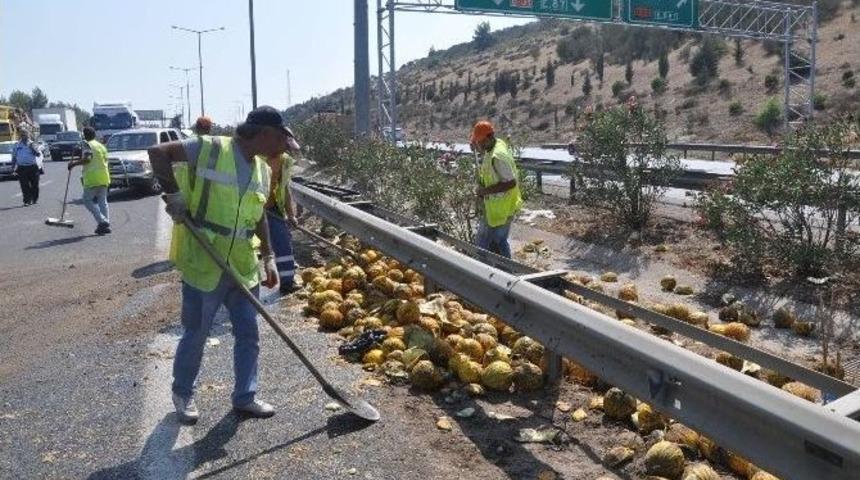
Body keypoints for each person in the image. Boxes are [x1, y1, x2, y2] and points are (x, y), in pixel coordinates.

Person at [148, 106, 289, 424]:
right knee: (196, 333)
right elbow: (157, 152)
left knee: (248, 334)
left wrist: (268, 257)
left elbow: (260, 215)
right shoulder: (210, 148)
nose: (283, 147)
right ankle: (183, 392)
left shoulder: (263, 170)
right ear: (265, 133)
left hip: (242, 263)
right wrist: (174, 196)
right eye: (280, 138)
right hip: (205, 261)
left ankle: (245, 397)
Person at [470, 120, 523, 259]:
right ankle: (504, 272)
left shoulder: (497, 156)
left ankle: (481, 271)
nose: (479, 145)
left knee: (486, 241)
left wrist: (484, 192)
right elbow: (491, 169)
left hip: (500, 208)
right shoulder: (494, 145)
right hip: (497, 206)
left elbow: (511, 183)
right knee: (498, 241)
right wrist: (476, 147)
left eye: (480, 142)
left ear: (489, 137)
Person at [263, 127, 302, 295]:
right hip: (251, 210)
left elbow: (285, 189)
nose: (287, 150)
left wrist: (291, 214)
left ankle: (287, 282)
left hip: (273, 209)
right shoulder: (256, 158)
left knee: (283, 242)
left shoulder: (284, 160)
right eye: (285, 146)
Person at [67, 127, 111, 235]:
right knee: (102, 201)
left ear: (84, 135)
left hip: (92, 178)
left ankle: (102, 220)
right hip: (104, 177)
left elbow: (87, 159)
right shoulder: (101, 146)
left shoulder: (87, 144)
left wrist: (73, 164)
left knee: (87, 201)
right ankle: (104, 226)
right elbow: (105, 160)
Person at [11, 130, 43, 206]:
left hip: (32, 167)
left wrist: (32, 148)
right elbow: (14, 157)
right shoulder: (17, 145)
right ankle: (27, 200)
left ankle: (34, 199)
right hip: (22, 168)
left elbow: (38, 154)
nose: (23, 137)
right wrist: (13, 167)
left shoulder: (32, 144)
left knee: (34, 185)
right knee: (24, 185)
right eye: (22, 135)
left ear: (28, 135)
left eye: (25, 135)